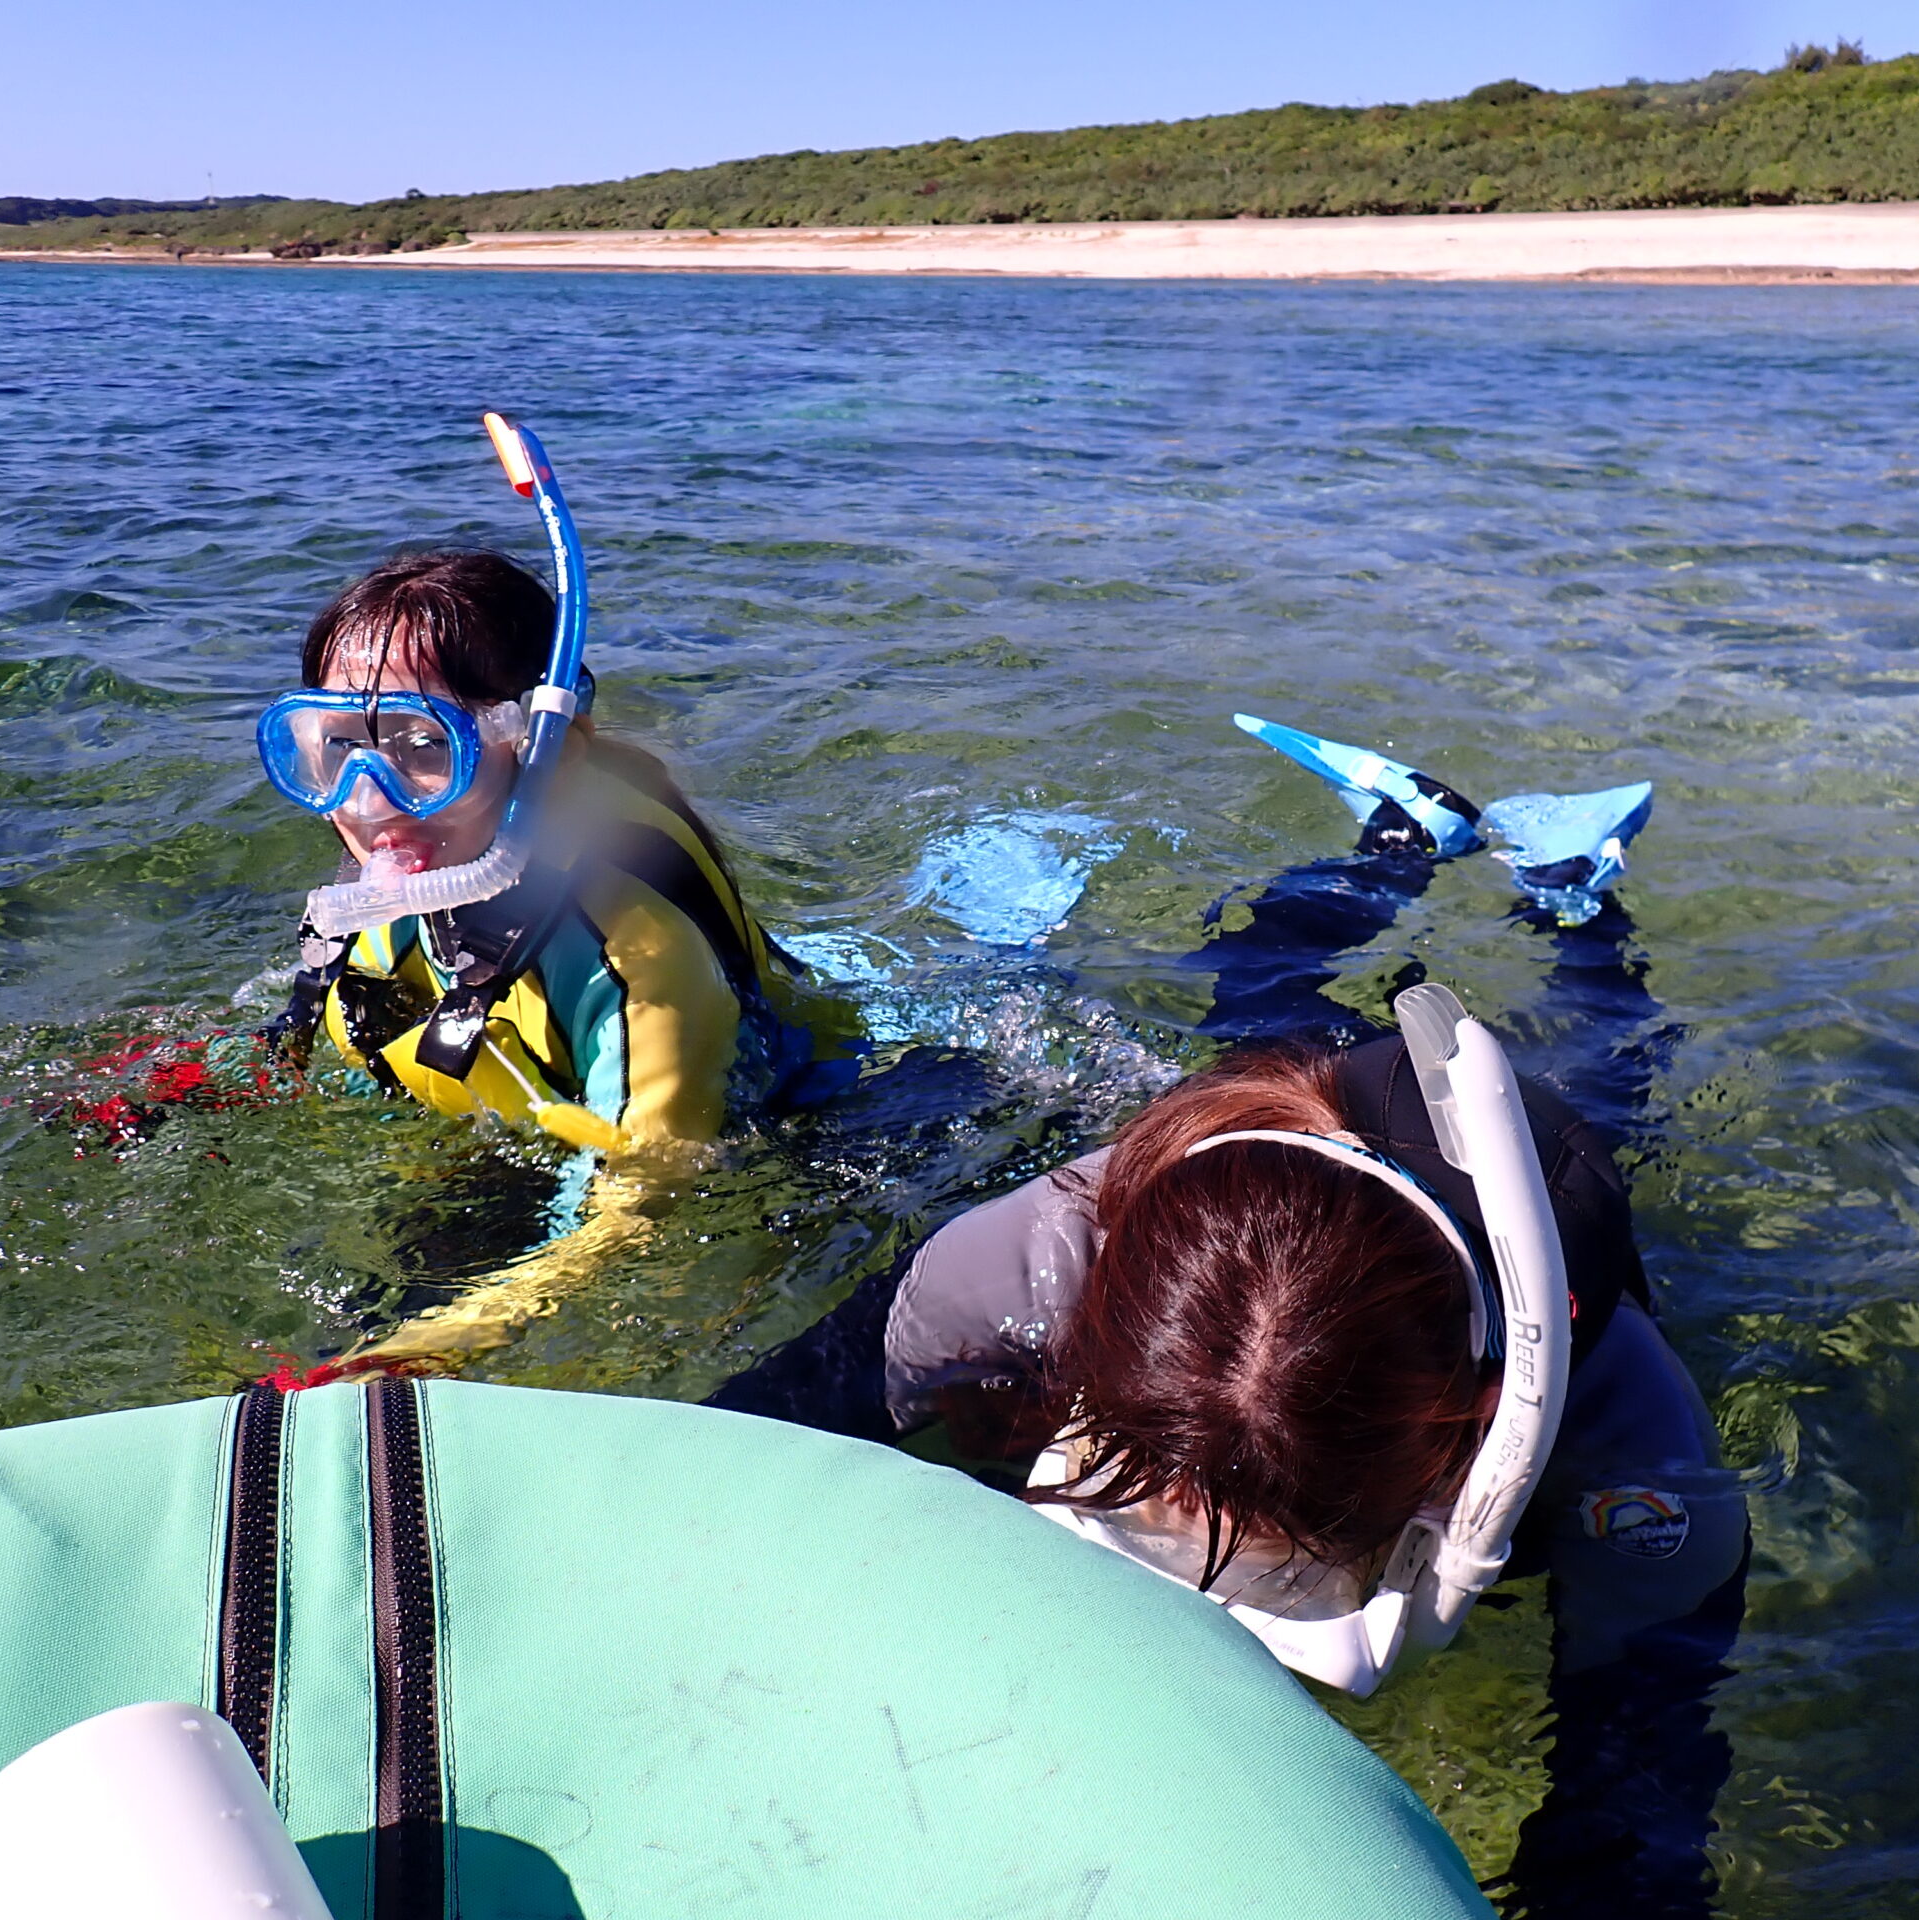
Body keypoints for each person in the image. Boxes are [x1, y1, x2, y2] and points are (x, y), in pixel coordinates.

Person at [708, 722, 1743, 1918]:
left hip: (1525, 1178)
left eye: (1283, 1553)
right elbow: (732, 1455)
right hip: (1268, 1124)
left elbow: (1634, 1820)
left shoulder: (1629, 1439)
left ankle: (1572, 895)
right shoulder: (1022, 1263)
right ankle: (1403, 830)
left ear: (1454, 1451)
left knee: (1620, 1071)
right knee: (1248, 995)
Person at [258, 417, 861, 1366]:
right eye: (337, 747)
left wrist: (432, 1348)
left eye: (426, 746)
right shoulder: (401, 852)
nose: (366, 798)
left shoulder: (637, 957)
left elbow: (647, 1203)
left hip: (793, 1122)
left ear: (546, 749)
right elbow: (315, 1015)